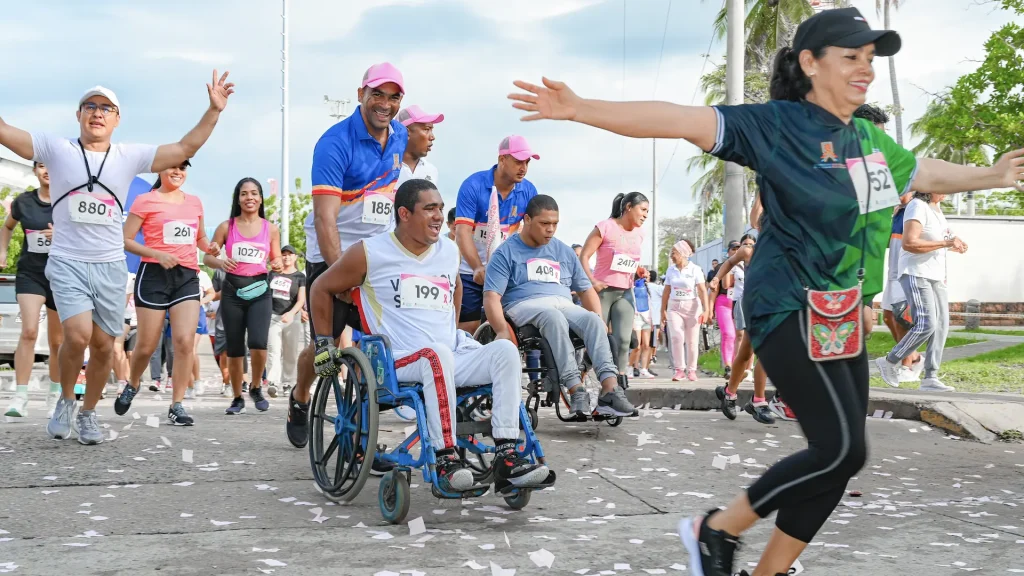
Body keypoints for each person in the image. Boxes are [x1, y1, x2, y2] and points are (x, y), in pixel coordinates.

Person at [508, 7, 1022, 573]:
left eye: (870, 60)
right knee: (840, 449)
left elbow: (921, 172)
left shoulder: (869, 140)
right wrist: (582, 109)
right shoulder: (777, 126)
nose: (865, 70)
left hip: (840, 313)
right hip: (784, 303)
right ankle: (717, 529)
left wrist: (993, 175)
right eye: (851, 57)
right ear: (811, 63)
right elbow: (678, 117)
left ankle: (768, 570)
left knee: (840, 459)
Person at [0, 71, 233, 444]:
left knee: (105, 345)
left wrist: (214, 111)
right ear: (79, 114)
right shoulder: (57, 149)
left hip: (109, 266)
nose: (97, 113)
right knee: (75, 336)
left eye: (106, 108)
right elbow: (7, 132)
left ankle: (89, 412)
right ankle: (65, 400)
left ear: (117, 119)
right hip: (67, 262)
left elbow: (185, 147)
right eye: (90, 106)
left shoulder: (128, 156)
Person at [311, 179, 551, 493]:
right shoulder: (370, 252)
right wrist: (324, 344)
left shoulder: (449, 251)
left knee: (504, 350)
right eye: (429, 209)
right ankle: (445, 458)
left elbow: (457, 286)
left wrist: (449, 327)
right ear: (405, 214)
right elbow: (320, 288)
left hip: (447, 352)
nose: (439, 215)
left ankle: (507, 456)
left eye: (440, 207)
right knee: (435, 355)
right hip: (399, 359)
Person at [288, 62, 408, 450]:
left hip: (376, 255)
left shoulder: (400, 136)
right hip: (331, 251)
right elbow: (326, 220)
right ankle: (300, 397)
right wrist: (341, 277)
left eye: (393, 97)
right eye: (377, 94)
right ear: (361, 95)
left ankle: (359, 424)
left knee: (382, 342)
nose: (384, 104)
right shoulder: (334, 143)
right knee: (325, 346)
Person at [483, 194, 637, 419]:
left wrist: (598, 318)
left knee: (594, 320)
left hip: (563, 303)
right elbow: (491, 296)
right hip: (523, 304)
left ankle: (610, 390)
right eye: (544, 223)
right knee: (552, 316)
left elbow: (585, 290)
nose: (550, 229)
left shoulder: (563, 251)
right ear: (527, 219)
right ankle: (575, 389)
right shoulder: (506, 252)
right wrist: (501, 329)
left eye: (555, 224)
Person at [114, 160, 218, 425]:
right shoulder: (145, 200)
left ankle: (177, 404)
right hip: (153, 275)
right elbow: (125, 239)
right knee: (147, 344)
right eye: (172, 166)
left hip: (186, 276)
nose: (178, 172)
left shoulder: (194, 202)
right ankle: (133, 383)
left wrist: (211, 248)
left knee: (184, 341)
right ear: (160, 170)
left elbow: (200, 239)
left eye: (183, 168)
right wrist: (156, 254)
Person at [855, 104, 922, 382]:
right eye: (876, 136)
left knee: (865, 327)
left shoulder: (875, 169)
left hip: (865, 273)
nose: (880, 144)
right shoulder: (839, 162)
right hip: (833, 270)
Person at [206, 177, 282, 415]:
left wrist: (277, 263)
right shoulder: (226, 227)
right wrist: (219, 259)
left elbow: (276, 258)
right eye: (244, 194)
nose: (249, 198)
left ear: (261, 198)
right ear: (237, 199)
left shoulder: (271, 229)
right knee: (235, 347)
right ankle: (237, 397)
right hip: (232, 293)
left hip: (260, 291)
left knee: (259, 343)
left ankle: (256, 386)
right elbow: (209, 257)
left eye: (254, 193)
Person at [876, 191, 965, 392]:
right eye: (944, 186)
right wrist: (946, 243)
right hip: (917, 273)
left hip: (936, 275)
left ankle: (930, 377)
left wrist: (955, 241)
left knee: (941, 327)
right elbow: (910, 243)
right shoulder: (917, 206)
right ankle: (890, 361)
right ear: (930, 187)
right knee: (927, 324)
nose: (948, 191)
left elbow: (940, 237)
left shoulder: (936, 209)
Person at [454, 135, 540, 334]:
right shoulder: (473, 185)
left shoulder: (528, 190)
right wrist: (477, 267)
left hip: (505, 269)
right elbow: (462, 233)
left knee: (510, 325)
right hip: (471, 270)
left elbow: (533, 233)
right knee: (469, 327)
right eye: (518, 161)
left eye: (527, 162)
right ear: (502, 159)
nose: (524, 168)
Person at [1, 161, 63, 418]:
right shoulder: (23, 201)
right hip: (31, 274)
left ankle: (55, 395)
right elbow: (7, 227)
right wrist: (2, 251)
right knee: (29, 330)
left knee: (58, 341)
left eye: (51, 165)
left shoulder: (69, 201)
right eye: (40, 165)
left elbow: (85, 235)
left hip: (62, 274)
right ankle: (21, 396)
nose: (47, 169)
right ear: (35, 170)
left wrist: (61, 235)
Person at [579, 192, 648, 387]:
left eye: (647, 212)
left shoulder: (640, 234)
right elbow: (583, 256)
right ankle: (583, 368)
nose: (645, 215)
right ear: (628, 207)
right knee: (598, 340)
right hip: (603, 292)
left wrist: (639, 271)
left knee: (624, 340)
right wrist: (592, 281)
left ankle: (618, 382)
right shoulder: (605, 227)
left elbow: (629, 263)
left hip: (625, 292)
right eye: (642, 210)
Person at [710, 235, 778, 426]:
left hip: (773, 306)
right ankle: (758, 400)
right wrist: (716, 278)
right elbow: (729, 262)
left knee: (747, 351)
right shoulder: (748, 251)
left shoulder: (782, 251)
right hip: (753, 305)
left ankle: (729, 393)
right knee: (764, 350)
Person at [661, 240, 710, 381]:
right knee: (676, 337)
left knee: (692, 340)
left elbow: (701, 290)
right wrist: (662, 311)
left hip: (692, 307)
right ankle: (679, 370)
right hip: (674, 307)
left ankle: (692, 370)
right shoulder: (671, 270)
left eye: (674, 253)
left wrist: (706, 310)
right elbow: (666, 291)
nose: (671, 255)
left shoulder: (695, 269)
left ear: (683, 254)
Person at [266, 245, 306, 398]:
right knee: (273, 350)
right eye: (283, 254)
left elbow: (301, 299)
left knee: (290, 351)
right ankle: (273, 382)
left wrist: (292, 313)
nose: (287, 257)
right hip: (273, 316)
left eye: (290, 254)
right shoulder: (273, 274)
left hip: (291, 317)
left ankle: (288, 382)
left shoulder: (300, 277)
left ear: (295, 257)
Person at [396, 105, 442, 186]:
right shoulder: (384, 168)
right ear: (406, 132)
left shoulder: (431, 170)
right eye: (427, 129)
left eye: (431, 130)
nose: (432, 137)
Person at [188, 268, 216, 399]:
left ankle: (197, 381)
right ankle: (188, 385)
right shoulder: (175, 271)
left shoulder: (202, 275)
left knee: (190, 349)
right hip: (178, 311)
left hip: (196, 312)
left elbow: (212, 293)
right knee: (179, 351)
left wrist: (200, 301)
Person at [714, 241, 740, 374]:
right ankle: (728, 365)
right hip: (725, 302)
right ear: (728, 252)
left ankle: (739, 366)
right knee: (729, 334)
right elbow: (724, 285)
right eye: (733, 249)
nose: (736, 251)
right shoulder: (722, 267)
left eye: (738, 249)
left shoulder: (749, 265)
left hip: (741, 302)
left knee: (740, 335)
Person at [630, 269, 655, 379]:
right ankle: (629, 367)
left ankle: (644, 369)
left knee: (646, 345)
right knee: (637, 346)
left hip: (647, 318)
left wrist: (653, 320)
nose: (647, 277)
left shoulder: (649, 288)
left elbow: (651, 303)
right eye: (646, 275)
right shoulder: (633, 287)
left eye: (648, 276)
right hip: (636, 317)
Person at [647, 270, 664, 372]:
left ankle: (649, 357)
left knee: (646, 341)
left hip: (646, 317)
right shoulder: (658, 288)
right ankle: (652, 356)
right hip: (655, 318)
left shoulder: (644, 287)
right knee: (654, 340)